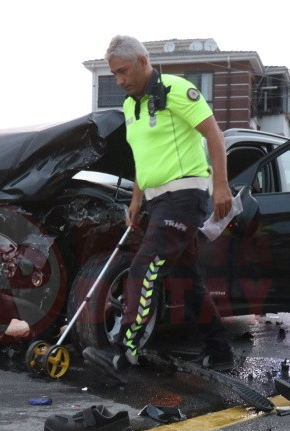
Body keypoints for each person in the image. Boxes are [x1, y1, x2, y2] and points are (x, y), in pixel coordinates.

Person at [82, 35, 234, 383]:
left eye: (123, 72)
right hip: (156, 199)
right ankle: (220, 351)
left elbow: (214, 135)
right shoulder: (130, 107)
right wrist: (136, 199)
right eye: (114, 75)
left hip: (185, 194)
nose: (119, 81)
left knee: (143, 265)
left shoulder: (176, 90)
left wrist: (222, 185)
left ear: (143, 61)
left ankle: (125, 352)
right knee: (187, 279)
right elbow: (143, 159)